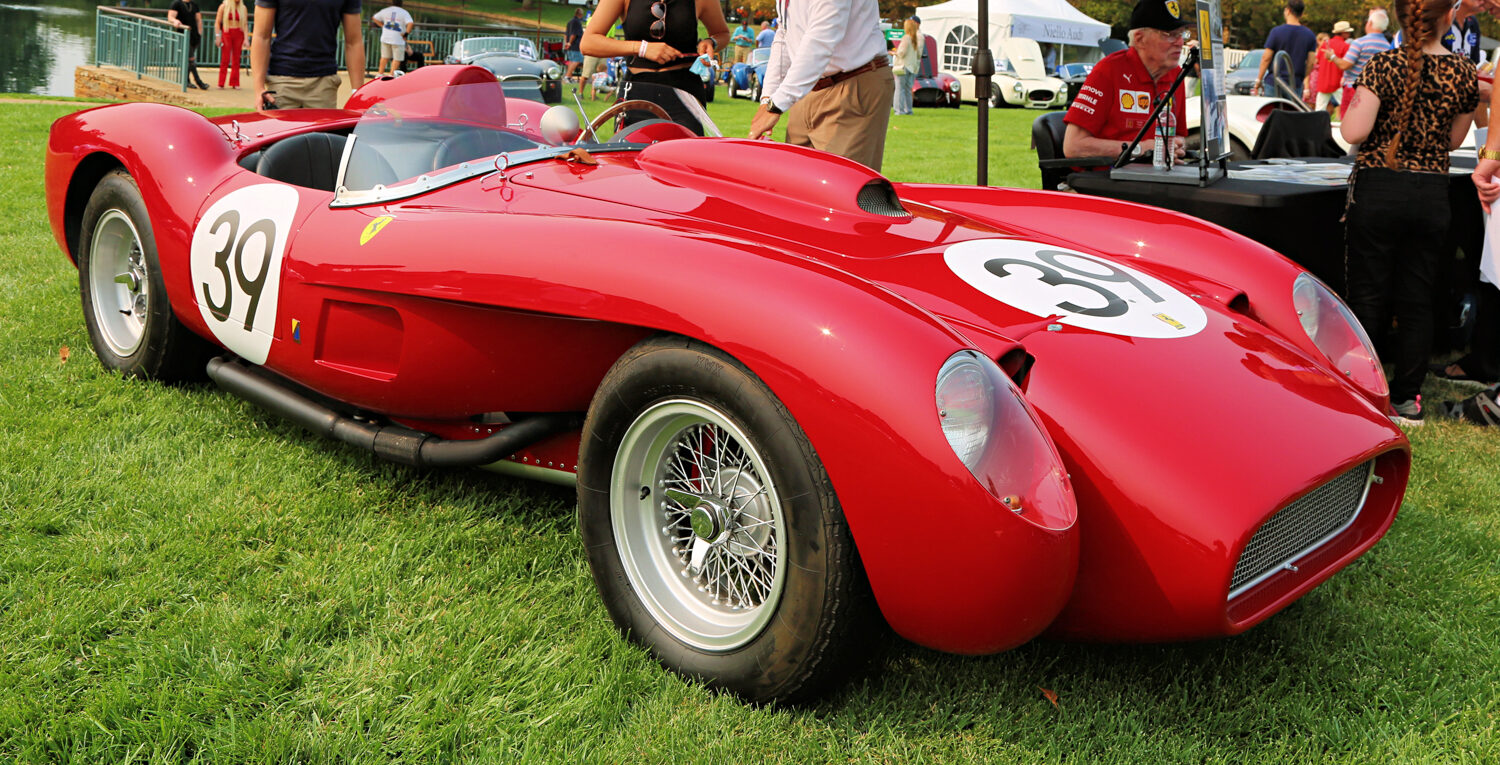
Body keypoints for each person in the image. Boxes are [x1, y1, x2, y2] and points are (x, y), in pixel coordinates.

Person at [1340, 0, 1478, 426]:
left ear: (1401, 17)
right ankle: (1406, 397)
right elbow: (1455, 141)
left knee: (1369, 293)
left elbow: (1352, 131)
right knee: (1417, 296)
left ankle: (1363, 389)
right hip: (1431, 192)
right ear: (1447, 17)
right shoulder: (1463, 72)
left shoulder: (1382, 65)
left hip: (1380, 186)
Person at [748, 0, 894, 171]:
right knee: (797, 187)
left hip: (852, 84)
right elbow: (785, 33)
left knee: (840, 188)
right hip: (808, 85)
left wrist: (777, 105)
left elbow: (823, 34)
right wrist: (768, 99)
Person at [1061, 0, 1189, 163]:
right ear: (1140, 38)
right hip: (1106, 179)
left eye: (1182, 34)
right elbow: (1073, 147)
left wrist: (1176, 146)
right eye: (1169, 35)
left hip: (1154, 177)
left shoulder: (1175, 75)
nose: (1179, 42)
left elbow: (1179, 135)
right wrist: (1141, 149)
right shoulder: (1109, 70)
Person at [580, 0, 729, 131]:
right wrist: (642, 48)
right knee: (632, 159)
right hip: (637, 92)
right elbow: (588, 42)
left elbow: (722, 33)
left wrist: (711, 43)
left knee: (686, 158)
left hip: (685, 95)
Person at [252, 0, 365, 111]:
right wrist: (258, 89)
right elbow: (261, 36)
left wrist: (358, 94)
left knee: (323, 130)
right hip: (281, 83)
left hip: (323, 84)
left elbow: (354, 42)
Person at [1253, 1, 1317, 101]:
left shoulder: (1276, 32)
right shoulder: (1310, 35)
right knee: (1291, 114)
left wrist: (1259, 80)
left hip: (1274, 81)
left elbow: (1266, 58)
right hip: (1295, 83)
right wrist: (1303, 77)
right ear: (1301, 13)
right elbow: (1311, 62)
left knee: (1271, 114)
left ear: (1288, 11)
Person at [1335, 9, 1393, 118]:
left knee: (1348, 121)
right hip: (1375, 91)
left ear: (1370, 23)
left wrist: (1332, 57)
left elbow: (1345, 65)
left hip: (1354, 88)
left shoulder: (1360, 42)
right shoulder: (1387, 46)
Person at [168, 1, 211, 90]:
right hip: (184, 35)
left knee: (189, 60)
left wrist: (200, 33)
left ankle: (186, 81)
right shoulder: (176, 4)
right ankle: (199, 82)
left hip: (194, 35)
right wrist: (175, 21)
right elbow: (170, 17)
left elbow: (199, 20)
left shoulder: (194, 5)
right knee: (191, 59)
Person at [1312, 21, 1353, 114]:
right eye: (1347, 32)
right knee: (1347, 109)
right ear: (1343, 33)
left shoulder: (1325, 44)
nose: (1349, 34)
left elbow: (1317, 61)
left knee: (1319, 110)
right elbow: (1346, 64)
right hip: (1338, 82)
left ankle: (1316, 127)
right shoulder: (1345, 46)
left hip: (1323, 81)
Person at [371, 0, 413, 78]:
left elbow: (374, 17)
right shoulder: (404, 12)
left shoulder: (386, 10)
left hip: (386, 37)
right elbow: (410, 23)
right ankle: (391, 74)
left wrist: (382, 25)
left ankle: (380, 73)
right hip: (398, 39)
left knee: (384, 57)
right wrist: (406, 33)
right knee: (397, 58)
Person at [215, 0, 250, 89]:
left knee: (236, 59)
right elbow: (217, 22)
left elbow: (245, 24)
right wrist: (218, 36)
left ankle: (235, 82)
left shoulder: (243, 8)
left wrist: (246, 39)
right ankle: (221, 83)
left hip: (239, 33)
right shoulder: (223, 6)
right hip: (227, 32)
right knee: (225, 59)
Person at [891, 17, 921, 116]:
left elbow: (902, 52)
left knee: (899, 89)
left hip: (903, 66)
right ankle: (908, 110)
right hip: (911, 67)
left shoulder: (906, 38)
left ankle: (899, 110)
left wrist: (894, 53)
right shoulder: (915, 39)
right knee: (908, 89)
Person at [564, 8, 585, 82]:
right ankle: (567, 76)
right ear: (580, 14)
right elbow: (574, 34)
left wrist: (566, 43)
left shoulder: (570, 21)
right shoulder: (577, 22)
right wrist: (569, 42)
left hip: (570, 45)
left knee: (572, 61)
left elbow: (566, 34)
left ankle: (569, 77)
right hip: (575, 45)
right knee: (578, 60)